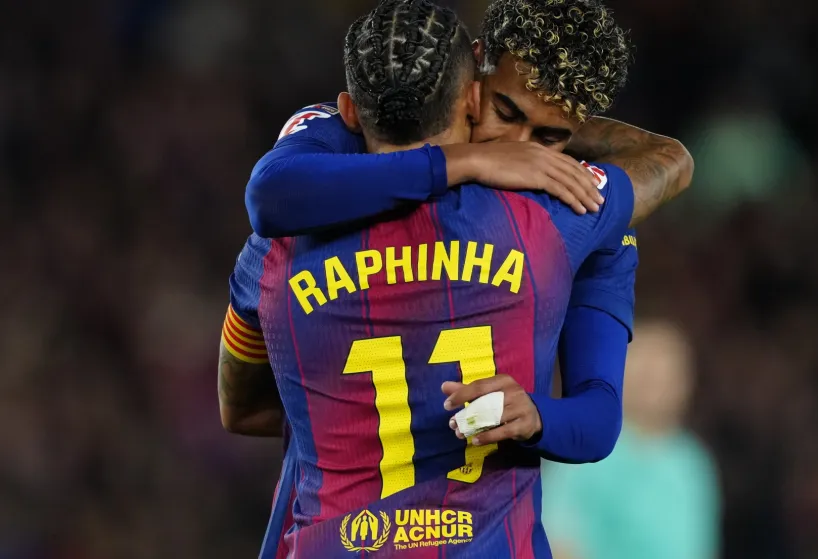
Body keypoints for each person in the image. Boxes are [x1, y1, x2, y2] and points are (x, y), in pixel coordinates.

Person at [232, 1, 693, 556]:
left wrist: (536, 414)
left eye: (550, 137)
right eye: (505, 110)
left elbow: (244, 407)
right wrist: (462, 163)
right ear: (473, 83)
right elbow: (669, 162)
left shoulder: (286, 236)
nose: (515, 149)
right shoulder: (569, 222)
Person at [543, 321, 720, 559]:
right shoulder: (584, 449)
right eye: (646, 371)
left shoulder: (692, 463)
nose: (655, 385)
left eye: (665, 374)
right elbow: (559, 541)